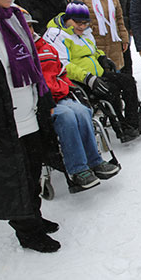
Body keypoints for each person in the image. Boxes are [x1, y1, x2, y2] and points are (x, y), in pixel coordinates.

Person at [0, 0, 60, 253]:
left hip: (28, 110)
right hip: (1, 118)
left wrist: (45, 98)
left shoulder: (14, 17)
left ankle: (34, 216)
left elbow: (34, 63)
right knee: (15, 175)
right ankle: (27, 232)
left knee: (32, 168)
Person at [26, 11, 120, 189]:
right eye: (25, 26)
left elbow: (60, 71)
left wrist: (67, 88)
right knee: (67, 116)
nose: (29, 29)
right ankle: (78, 170)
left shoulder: (45, 47)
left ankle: (95, 161)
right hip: (38, 102)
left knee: (83, 111)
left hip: (59, 94)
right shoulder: (19, 52)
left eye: (30, 25)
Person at [44, 1, 141, 143]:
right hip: (79, 79)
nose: (82, 26)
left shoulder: (84, 32)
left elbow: (92, 50)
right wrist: (87, 78)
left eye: (85, 23)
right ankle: (122, 128)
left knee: (128, 81)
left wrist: (101, 56)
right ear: (68, 18)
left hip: (97, 72)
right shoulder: (57, 36)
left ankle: (133, 122)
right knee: (110, 89)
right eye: (78, 23)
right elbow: (63, 64)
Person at [72, 0, 129, 74]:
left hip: (114, 44)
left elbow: (119, 18)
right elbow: (76, 22)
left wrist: (124, 37)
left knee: (115, 77)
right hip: (94, 44)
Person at [99, 0, 133, 76]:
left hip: (122, 28)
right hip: (102, 33)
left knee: (126, 61)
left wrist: (130, 26)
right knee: (106, 64)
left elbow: (130, 4)